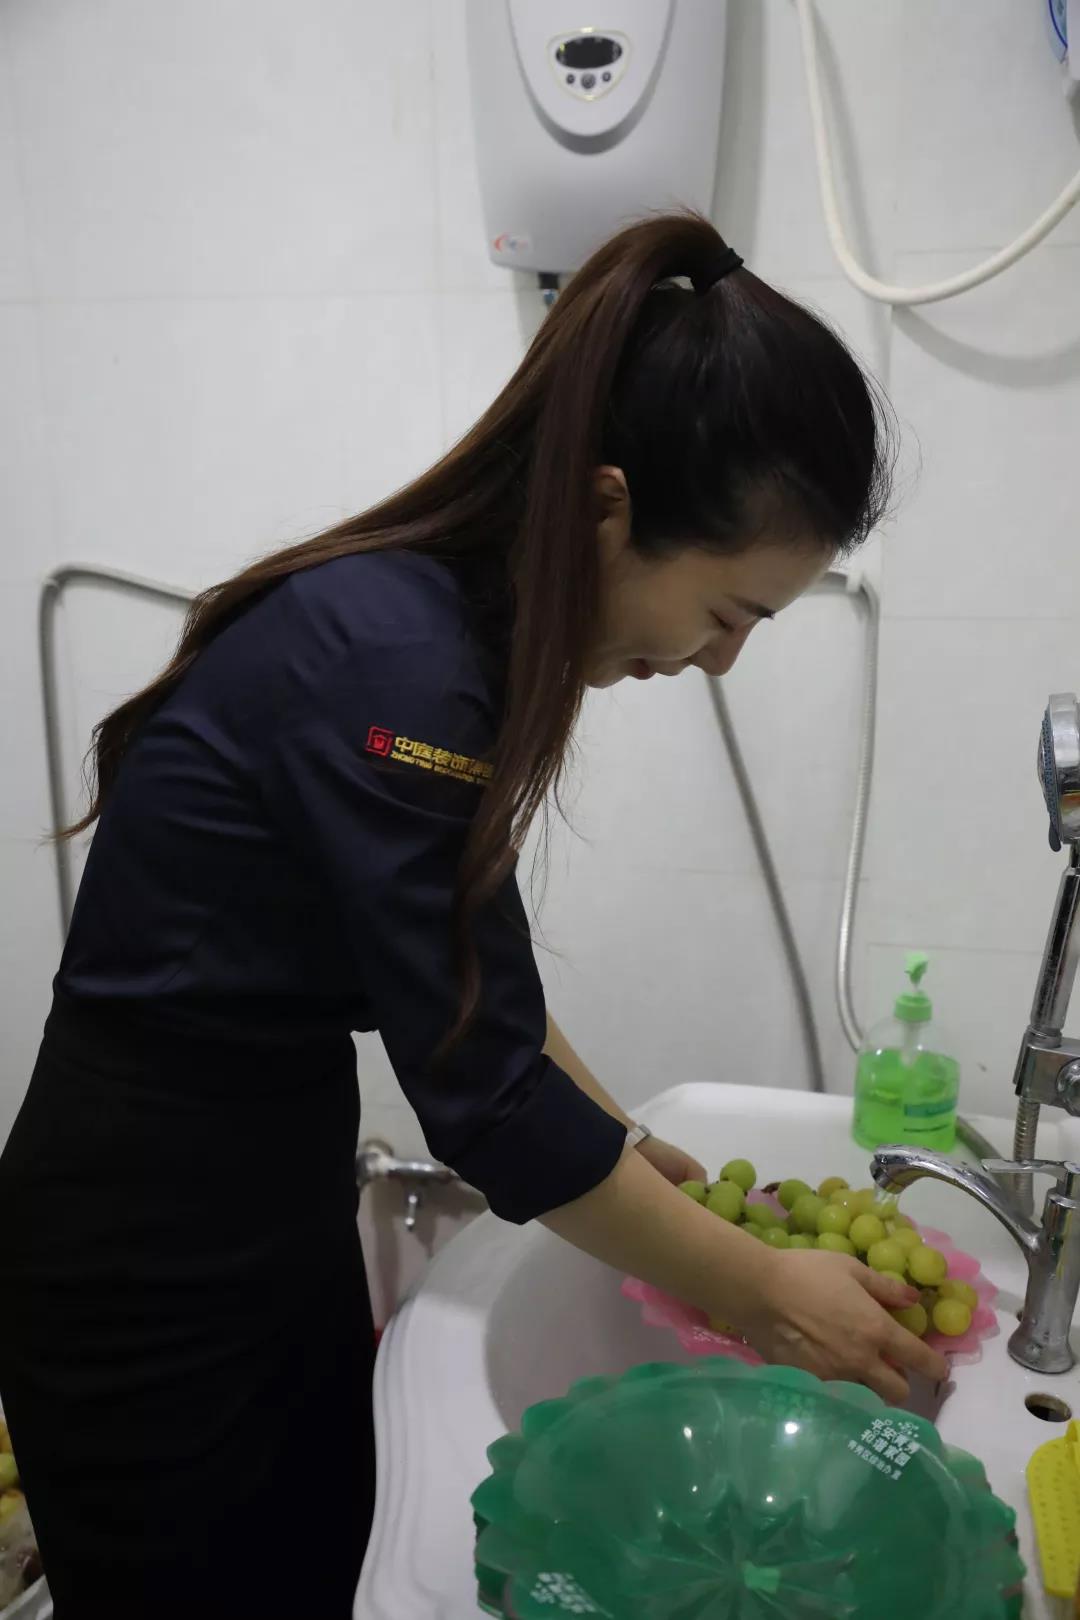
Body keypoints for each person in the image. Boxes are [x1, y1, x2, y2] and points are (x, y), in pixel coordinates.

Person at [0, 213, 947, 1619]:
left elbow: (460, 979)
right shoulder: (401, 668)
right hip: (142, 1244)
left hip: (269, 1191)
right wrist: (755, 1285)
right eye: (729, 612)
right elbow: (486, 1100)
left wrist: (618, 1139)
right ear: (609, 510)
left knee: (323, 1559)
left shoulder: (448, 642)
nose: (721, 662)